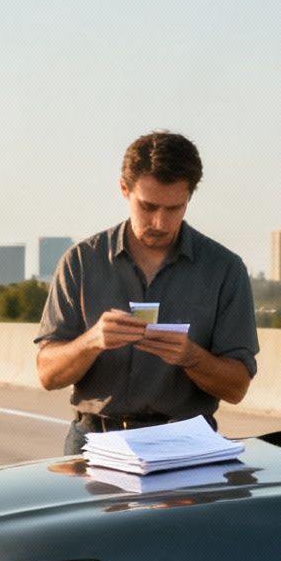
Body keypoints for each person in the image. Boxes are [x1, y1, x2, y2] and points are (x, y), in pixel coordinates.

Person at [35, 131, 258, 454]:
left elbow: (237, 388)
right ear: (124, 189)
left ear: (189, 197)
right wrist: (92, 341)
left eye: (174, 208)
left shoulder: (224, 269)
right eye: (148, 206)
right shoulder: (81, 261)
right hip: (94, 443)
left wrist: (192, 357)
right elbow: (47, 375)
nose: (160, 222)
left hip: (186, 444)